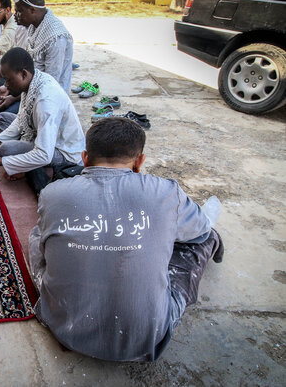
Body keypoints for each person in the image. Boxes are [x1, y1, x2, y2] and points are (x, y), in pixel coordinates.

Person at [28, 117, 225, 362]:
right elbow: (199, 229)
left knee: (38, 233)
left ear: (85, 158)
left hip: (65, 328)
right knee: (205, 237)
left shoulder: (52, 193)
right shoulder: (166, 192)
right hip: (146, 339)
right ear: (139, 161)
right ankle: (216, 246)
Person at [0, 48, 85, 196]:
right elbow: (21, 119)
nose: (5, 85)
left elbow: (44, 154)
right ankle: (27, 163)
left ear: (23, 74)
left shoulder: (46, 101)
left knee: (6, 150)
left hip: (63, 149)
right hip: (39, 132)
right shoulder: (33, 81)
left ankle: (41, 185)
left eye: (8, 80)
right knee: (2, 119)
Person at [0, 0, 74, 128]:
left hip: (46, 98)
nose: (16, 15)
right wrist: (10, 88)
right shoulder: (34, 26)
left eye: (19, 11)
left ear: (33, 10)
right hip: (29, 88)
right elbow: (26, 69)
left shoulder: (56, 37)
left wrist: (14, 97)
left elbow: (50, 84)